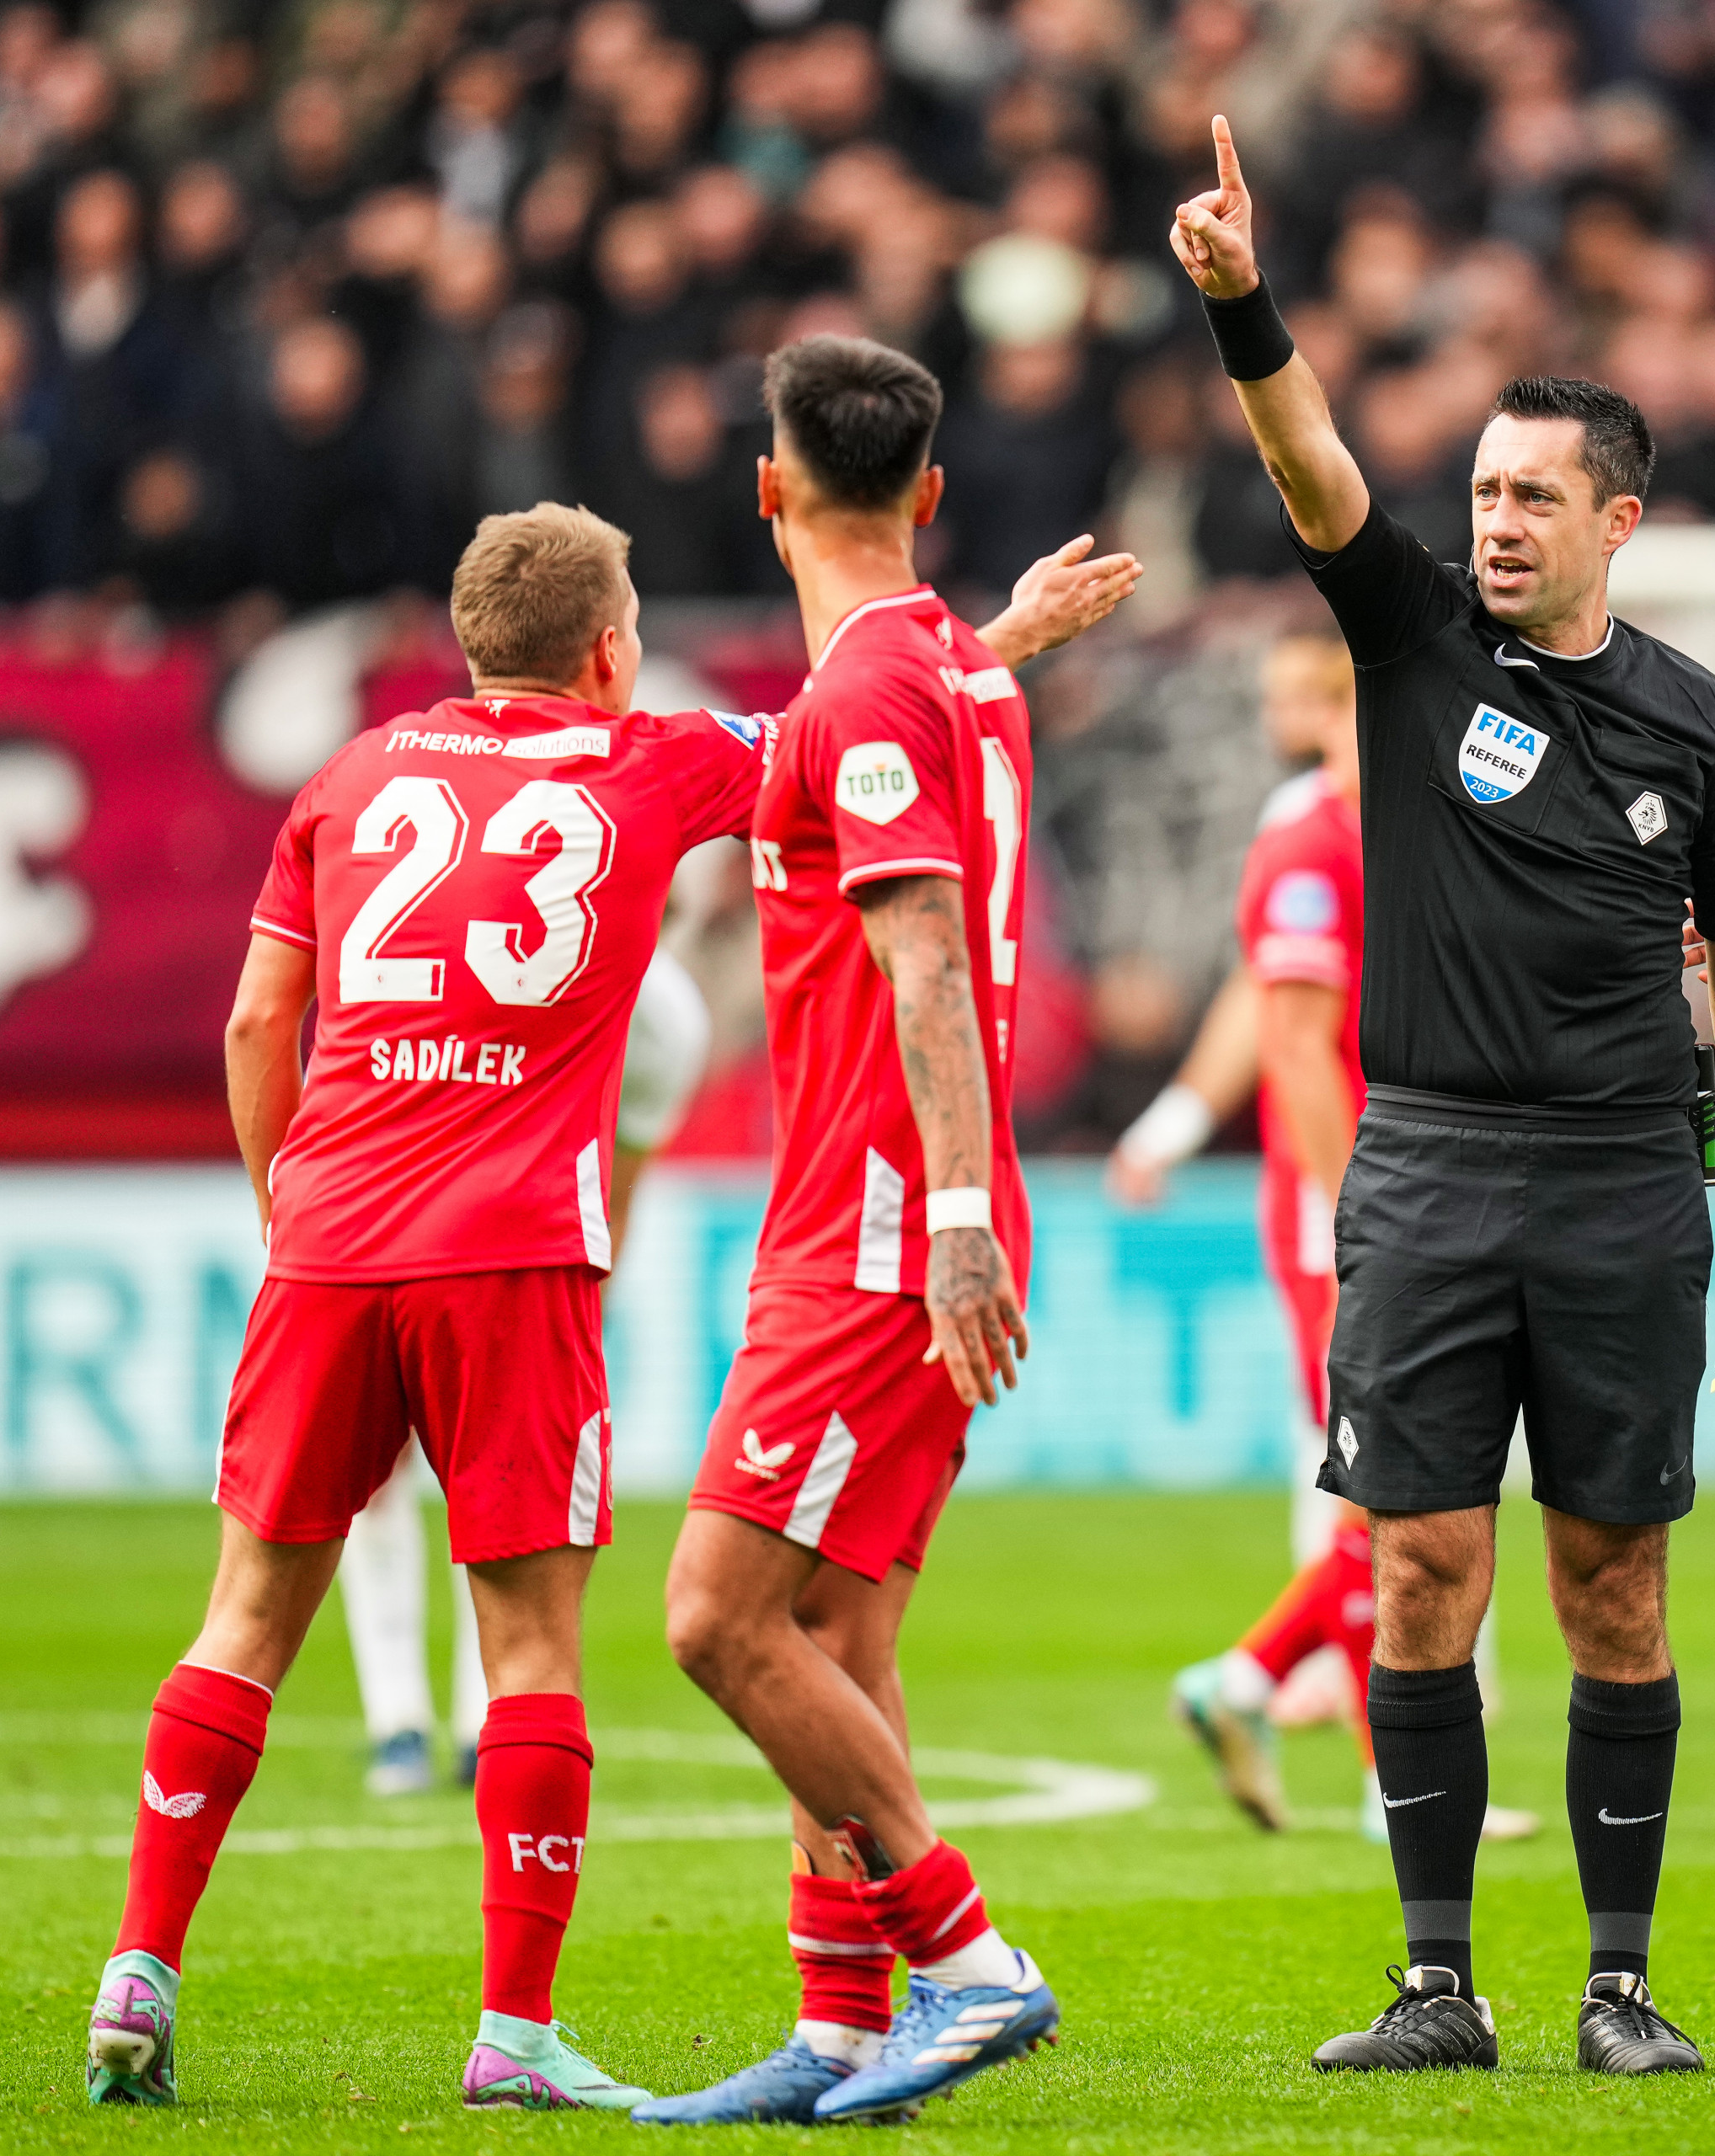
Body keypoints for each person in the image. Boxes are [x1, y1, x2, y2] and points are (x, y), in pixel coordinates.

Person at [1169, 118, 1715, 2078]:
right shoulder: (1413, 638)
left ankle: (1619, 1983)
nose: (1497, 519)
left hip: (1625, 1181)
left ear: (1619, 515)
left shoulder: (1704, 728)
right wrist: (1242, 306)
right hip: (1428, 1167)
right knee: (1420, 1562)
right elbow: (1303, 456)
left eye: (1534, 493)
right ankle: (1434, 1980)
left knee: (1611, 1577)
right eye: (1482, 488)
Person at [82, 504, 767, 2113]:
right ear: (611, 649)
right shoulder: (653, 761)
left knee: (245, 1615)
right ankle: (515, 2034)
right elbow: (850, 722)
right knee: (529, 1649)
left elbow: (263, 1016)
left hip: (331, 1244)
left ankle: (137, 1969)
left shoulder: (350, 776)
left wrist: (285, 1205)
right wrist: (1005, 642)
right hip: (512, 1256)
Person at [638, 335, 1133, 2130]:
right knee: (836, 1629)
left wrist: (944, 1219)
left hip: (875, 1220)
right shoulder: (942, 671)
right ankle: (844, 2022)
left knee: (715, 1613)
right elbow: (910, 721)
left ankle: (967, 1955)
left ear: (767, 489)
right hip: (891, 1203)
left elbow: (923, 959)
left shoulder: (868, 694)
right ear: (928, 495)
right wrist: (1005, 639)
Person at [1158, 632, 1540, 1846]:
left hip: (1421, 1190)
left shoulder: (1412, 833)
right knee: (1392, 1478)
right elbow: (1291, 1047)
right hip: (1355, 1208)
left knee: (1403, 1478)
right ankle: (1355, 1750)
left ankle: (1289, 1707)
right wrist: (1345, 1208)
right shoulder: (1311, 843)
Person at [336, 951, 713, 1802]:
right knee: (389, 1461)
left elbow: (618, 1191)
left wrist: (571, 1316)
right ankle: (398, 1717)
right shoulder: (476, 946)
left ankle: (478, 1723)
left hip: (514, 1238)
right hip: (406, 1192)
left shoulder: (659, 1022)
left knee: (495, 1468)